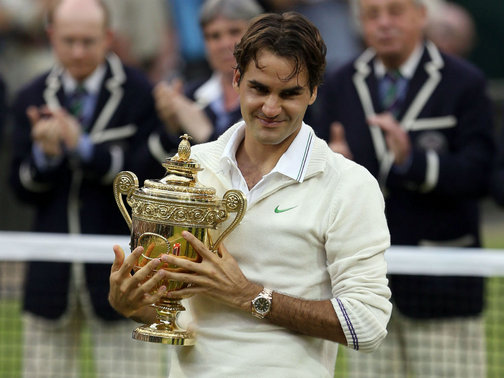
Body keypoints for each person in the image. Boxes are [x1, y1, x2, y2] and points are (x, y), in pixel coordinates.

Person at [108, 11, 392, 378]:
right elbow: (170, 305)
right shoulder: (192, 165)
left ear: (314, 92)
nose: (271, 108)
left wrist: (248, 295)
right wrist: (129, 301)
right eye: (259, 89)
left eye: (289, 94)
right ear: (237, 78)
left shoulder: (350, 185)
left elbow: (367, 325)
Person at [315, 0, 495, 377]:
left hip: (443, 288)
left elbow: (481, 174)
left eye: (394, 11)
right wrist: (335, 167)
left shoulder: (465, 81)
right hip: (364, 287)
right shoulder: (338, 84)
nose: (383, 23)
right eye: (372, 14)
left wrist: (412, 164)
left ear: (421, 15)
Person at [8, 0, 169, 376]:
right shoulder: (30, 96)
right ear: (51, 37)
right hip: (50, 274)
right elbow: (19, 188)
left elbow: (143, 178)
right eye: (68, 41)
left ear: (107, 37)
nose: (78, 51)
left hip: (125, 272)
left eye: (87, 41)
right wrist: (45, 156)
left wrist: (81, 147)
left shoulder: (140, 92)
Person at [153, 0, 263, 145]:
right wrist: (172, 129)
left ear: (259, 35)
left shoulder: (271, 97)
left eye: (234, 31)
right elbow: (150, 164)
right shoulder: (190, 96)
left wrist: (204, 133)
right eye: (214, 36)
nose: (224, 44)